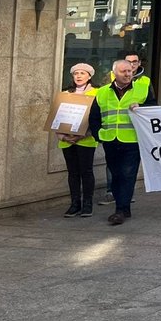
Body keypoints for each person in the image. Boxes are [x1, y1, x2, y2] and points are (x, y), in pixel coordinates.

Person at [92, 58, 151, 225]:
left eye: (130, 71)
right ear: (114, 74)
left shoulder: (142, 88)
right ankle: (124, 208)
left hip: (132, 140)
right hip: (110, 139)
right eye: (123, 71)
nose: (127, 74)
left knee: (127, 174)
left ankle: (119, 209)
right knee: (116, 175)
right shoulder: (102, 92)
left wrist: (141, 107)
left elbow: (153, 109)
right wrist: (98, 135)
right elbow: (94, 116)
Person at [57, 63, 98, 218]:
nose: (79, 76)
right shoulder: (65, 93)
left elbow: (96, 118)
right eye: (76, 73)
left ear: (89, 76)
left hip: (86, 139)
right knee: (73, 172)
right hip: (66, 140)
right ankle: (75, 203)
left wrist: (83, 134)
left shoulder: (97, 93)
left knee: (86, 171)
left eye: (82, 73)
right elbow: (57, 117)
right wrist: (63, 136)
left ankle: (87, 204)